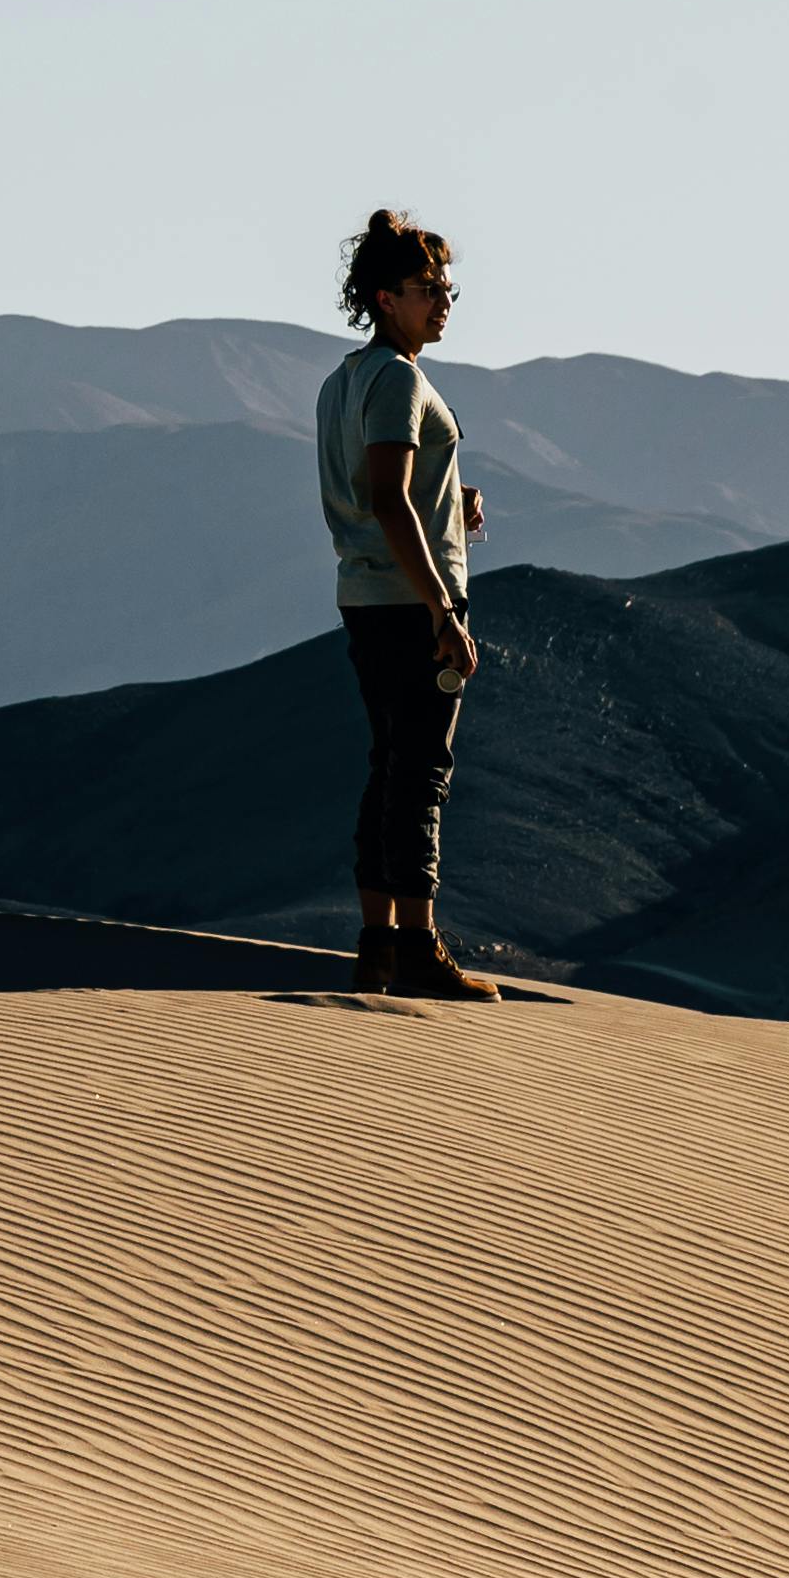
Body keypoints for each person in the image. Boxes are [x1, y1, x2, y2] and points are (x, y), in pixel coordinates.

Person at [315, 209, 498, 999]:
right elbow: (387, 501)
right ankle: (419, 947)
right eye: (430, 289)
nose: (445, 302)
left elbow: (380, 491)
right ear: (386, 297)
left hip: (365, 595)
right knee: (421, 771)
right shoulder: (396, 377)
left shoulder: (343, 379)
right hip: (406, 601)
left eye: (449, 289)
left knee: (389, 764)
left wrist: (451, 498)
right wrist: (444, 612)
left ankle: (377, 946)